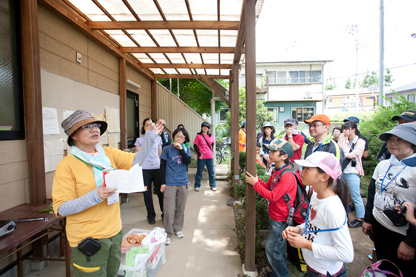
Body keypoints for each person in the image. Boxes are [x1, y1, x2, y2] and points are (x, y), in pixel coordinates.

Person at [52, 110, 163, 276]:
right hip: (88, 239)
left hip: (114, 232)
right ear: (73, 135)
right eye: (86, 127)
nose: (94, 129)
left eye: (96, 125)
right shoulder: (66, 165)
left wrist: (151, 137)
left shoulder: (107, 153)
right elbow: (61, 208)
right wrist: (95, 196)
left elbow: (136, 160)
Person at [282, 151, 353, 277]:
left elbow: (346, 254)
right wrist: (298, 228)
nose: (302, 171)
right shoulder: (316, 196)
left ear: (324, 177)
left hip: (325, 272)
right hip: (313, 267)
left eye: (308, 169)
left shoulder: (332, 208)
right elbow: (314, 223)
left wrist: (306, 244)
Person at [362, 123, 416, 276]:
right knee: (384, 266)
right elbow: (373, 193)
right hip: (380, 224)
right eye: (390, 139)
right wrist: (369, 219)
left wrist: (410, 242)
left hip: (403, 233)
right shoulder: (384, 165)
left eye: (399, 140)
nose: (392, 143)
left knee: (403, 269)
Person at [245, 140, 297, 277]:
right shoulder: (276, 170)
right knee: (277, 249)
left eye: (274, 151)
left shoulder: (287, 176)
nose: (270, 153)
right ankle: (277, 273)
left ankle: (281, 275)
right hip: (275, 215)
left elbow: (272, 196)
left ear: (284, 156)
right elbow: (269, 187)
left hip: (281, 219)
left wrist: (255, 184)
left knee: (272, 249)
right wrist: (257, 180)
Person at [160, 127, 192, 246]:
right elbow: (162, 166)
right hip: (170, 183)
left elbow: (188, 161)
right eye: (177, 136)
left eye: (182, 137)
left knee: (180, 208)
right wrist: (163, 182)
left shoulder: (186, 149)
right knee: (168, 210)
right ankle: (167, 233)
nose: (179, 138)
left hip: (183, 182)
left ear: (185, 139)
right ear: (173, 137)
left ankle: (177, 229)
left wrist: (181, 149)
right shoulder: (167, 149)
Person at [135, 118, 163, 225]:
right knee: (147, 194)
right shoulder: (139, 140)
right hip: (144, 170)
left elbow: (160, 154)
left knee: (161, 193)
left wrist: (161, 167)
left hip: (157, 168)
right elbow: (138, 156)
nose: (149, 126)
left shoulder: (158, 138)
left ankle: (164, 213)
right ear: (143, 127)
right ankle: (151, 216)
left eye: (151, 125)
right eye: (147, 125)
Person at [339, 121, 366, 228]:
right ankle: (343, 216)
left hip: (353, 171)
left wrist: (344, 154)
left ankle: (360, 218)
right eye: (343, 129)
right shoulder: (343, 140)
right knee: (342, 194)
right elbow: (338, 150)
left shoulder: (360, 141)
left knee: (355, 195)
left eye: (346, 129)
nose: (344, 131)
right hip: (342, 171)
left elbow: (355, 154)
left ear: (353, 130)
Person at [193, 122, 216, 192]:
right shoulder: (198, 136)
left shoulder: (210, 136)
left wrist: (210, 150)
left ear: (208, 128)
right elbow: (195, 146)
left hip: (209, 157)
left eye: (206, 127)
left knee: (211, 172)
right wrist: (199, 154)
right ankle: (197, 186)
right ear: (201, 128)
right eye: (204, 127)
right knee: (199, 172)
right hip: (201, 157)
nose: (205, 128)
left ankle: (213, 185)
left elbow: (212, 143)